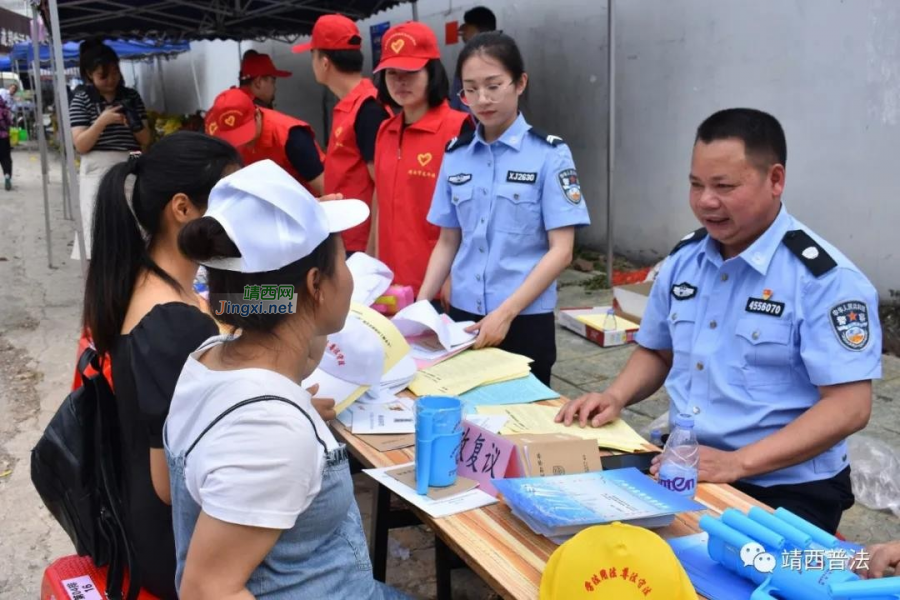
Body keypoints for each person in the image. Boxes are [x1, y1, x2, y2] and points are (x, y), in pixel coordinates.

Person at [556, 108, 882, 534]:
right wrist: (615, 396)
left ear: (775, 180)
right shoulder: (685, 259)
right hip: (687, 461)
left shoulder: (824, 280)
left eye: (724, 186)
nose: (706, 201)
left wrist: (738, 463)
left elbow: (850, 406)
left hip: (785, 483)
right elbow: (658, 349)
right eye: (696, 185)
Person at [165, 159, 408, 599]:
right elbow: (206, 591)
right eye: (344, 259)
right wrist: (285, 431)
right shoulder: (271, 431)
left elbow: (275, 311)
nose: (351, 274)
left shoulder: (210, 357)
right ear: (316, 283)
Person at [81, 132, 240, 599]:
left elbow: (229, 305)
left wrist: (289, 292)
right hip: (175, 547)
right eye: (229, 199)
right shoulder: (171, 326)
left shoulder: (155, 279)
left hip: (144, 517)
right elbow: (171, 487)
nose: (241, 216)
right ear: (183, 209)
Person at [418, 32, 589, 386]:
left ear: (520, 82)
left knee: (525, 428)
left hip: (524, 318)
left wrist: (506, 313)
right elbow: (448, 241)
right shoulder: (455, 155)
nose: (482, 99)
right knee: (468, 423)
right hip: (464, 316)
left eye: (494, 86)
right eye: (471, 89)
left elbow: (562, 251)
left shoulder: (549, 154)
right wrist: (420, 307)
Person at [373, 21, 473, 297]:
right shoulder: (385, 131)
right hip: (390, 286)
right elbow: (379, 202)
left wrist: (453, 275)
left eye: (410, 72)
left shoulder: (457, 128)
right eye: (391, 73)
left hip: (439, 285)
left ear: (432, 71)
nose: (399, 81)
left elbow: (473, 214)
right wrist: (371, 267)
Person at [294, 14, 391, 256]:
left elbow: (384, 185)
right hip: (345, 235)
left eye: (312, 56)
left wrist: (373, 250)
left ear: (324, 62)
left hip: (361, 243)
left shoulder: (368, 110)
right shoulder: (351, 106)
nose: (312, 63)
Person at [70, 37, 151, 260]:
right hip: (96, 166)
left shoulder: (131, 96)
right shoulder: (82, 99)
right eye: (103, 76)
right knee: (98, 233)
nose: (111, 80)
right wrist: (102, 121)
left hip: (130, 163)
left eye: (115, 73)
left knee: (133, 230)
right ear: (89, 75)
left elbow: (146, 138)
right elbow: (81, 145)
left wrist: (133, 123)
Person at [205, 87, 325, 196]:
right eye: (233, 137)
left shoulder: (291, 137)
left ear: (257, 115)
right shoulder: (217, 137)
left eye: (244, 133)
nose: (242, 142)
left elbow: (323, 187)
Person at [449, 7, 497, 112]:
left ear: (478, 28)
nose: (463, 30)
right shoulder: (467, 54)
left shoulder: (498, 55)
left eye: (467, 26)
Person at [0, 94, 12, 191]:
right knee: (5, 157)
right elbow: (9, 122)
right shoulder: (4, 109)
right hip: (3, 137)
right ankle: (7, 176)